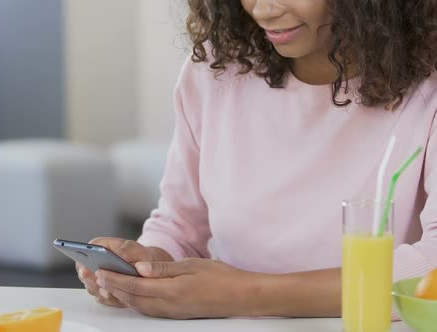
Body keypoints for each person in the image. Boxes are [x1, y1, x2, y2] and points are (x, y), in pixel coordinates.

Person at [77, 0, 437, 319]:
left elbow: (432, 269)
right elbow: (181, 227)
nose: (263, 9)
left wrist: (244, 294)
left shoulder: (428, 89)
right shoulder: (216, 68)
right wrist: (147, 265)